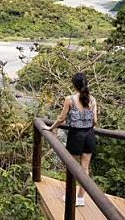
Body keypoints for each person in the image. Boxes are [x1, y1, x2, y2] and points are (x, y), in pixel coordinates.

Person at [41, 72, 97, 207]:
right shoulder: (93, 99)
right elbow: (95, 121)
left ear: (74, 84)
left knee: (72, 167)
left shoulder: (69, 99)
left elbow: (61, 119)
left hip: (76, 136)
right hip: (89, 135)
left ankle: (71, 195)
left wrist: (50, 128)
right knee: (85, 168)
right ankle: (80, 198)